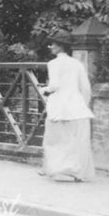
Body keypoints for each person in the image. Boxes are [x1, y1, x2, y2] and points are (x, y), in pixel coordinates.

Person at [39, 33, 96, 182]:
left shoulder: (53, 64)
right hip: (76, 106)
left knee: (55, 140)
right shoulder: (77, 64)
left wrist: (45, 90)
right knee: (75, 141)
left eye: (53, 44)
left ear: (60, 46)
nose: (50, 47)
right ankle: (76, 172)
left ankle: (57, 169)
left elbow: (55, 85)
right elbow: (86, 88)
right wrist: (82, 104)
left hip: (59, 106)